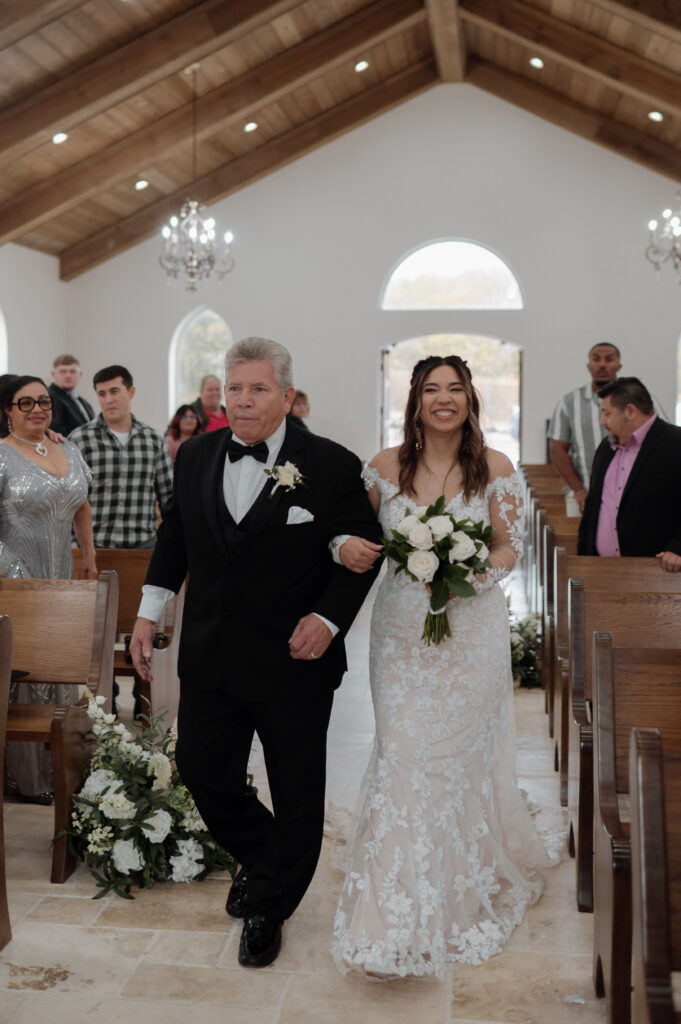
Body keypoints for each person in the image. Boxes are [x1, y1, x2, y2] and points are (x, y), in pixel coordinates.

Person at [129, 337, 382, 969]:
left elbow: (361, 551)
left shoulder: (329, 464)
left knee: (298, 790)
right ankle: (272, 856)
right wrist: (147, 611)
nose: (243, 400)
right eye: (235, 387)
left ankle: (270, 903)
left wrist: (328, 620)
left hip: (295, 660)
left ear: (287, 397)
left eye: (258, 389)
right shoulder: (193, 455)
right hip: (212, 653)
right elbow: (176, 540)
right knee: (203, 769)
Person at [331, 354, 558, 980]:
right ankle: (385, 917)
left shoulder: (498, 469)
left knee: (456, 762)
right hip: (402, 634)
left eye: (455, 388)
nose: (444, 399)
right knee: (403, 751)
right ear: (415, 400)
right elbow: (344, 530)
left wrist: (472, 574)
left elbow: (511, 545)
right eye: (431, 389)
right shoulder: (380, 468)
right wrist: (339, 545)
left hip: (471, 632)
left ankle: (455, 886)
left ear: (469, 399)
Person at [0, 375, 97, 803]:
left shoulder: (68, 448)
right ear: (7, 410)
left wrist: (89, 555)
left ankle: (63, 765)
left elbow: (81, 507)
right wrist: (11, 578)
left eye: (43, 401)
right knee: (24, 666)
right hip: (15, 575)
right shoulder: (1, 456)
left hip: (59, 572)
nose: (37, 409)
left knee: (60, 661)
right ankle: (25, 776)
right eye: (25, 403)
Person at [577, 377, 681, 569]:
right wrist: (583, 556)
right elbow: (593, 507)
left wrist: (678, 548)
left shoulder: (675, 444)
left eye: (607, 413)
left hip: (657, 573)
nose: (602, 421)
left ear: (630, 411)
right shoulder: (606, 448)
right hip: (600, 568)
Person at [70, 365, 173, 549]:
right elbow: (69, 499)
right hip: (93, 547)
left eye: (114, 391)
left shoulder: (153, 439)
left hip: (144, 547)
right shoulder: (80, 439)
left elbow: (168, 497)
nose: (108, 399)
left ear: (131, 392)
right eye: (102, 394)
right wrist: (74, 545)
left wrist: (173, 543)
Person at [48, 354, 95, 436]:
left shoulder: (84, 403)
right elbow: (56, 432)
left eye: (73, 371)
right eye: (63, 371)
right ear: (53, 374)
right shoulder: (49, 399)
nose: (68, 376)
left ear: (80, 374)